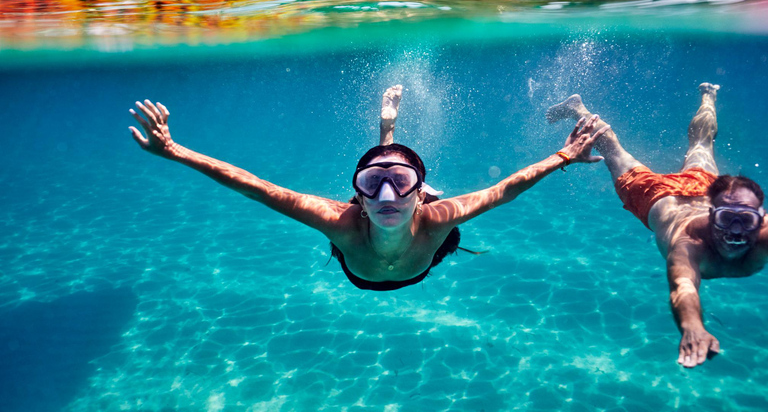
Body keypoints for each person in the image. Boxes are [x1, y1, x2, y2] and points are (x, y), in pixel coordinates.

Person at [129, 86, 607, 291]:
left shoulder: (437, 218)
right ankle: (387, 134)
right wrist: (176, 151)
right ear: (355, 194)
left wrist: (564, 156)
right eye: (370, 186)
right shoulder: (342, 222)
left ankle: (389, 136)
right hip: (358, 269)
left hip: (422, 257)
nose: (384, 197)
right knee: (388, 167)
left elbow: (507, 188)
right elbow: (255, 187)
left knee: (395, 172)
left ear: (421, 194)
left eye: (402, 186)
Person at [547, 83, 768, 368]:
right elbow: (682, 287)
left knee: (702, 144)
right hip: (656, 195)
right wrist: (692, 326)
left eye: (746, 221)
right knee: (612, 150)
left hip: (703, 188)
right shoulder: (689, 243)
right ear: (713, 215)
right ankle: (577, 108)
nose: (736, 232)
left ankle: (708, 95)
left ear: (760, 219)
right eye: (726, 220)